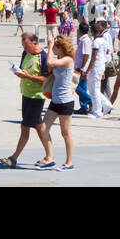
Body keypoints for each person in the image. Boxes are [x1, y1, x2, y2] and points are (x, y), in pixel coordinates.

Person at [0, 31, 53, 168]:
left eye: (27, 46)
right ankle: (50, 156)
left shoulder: (43, 57)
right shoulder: (25, 53)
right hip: (26, 94)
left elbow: (46, 80)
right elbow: (24, 70)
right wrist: (19, 73)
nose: (25, 49)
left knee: (25, 127)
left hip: (37, 96)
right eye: (23, 46)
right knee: (39, 127)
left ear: (35, 43)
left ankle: (13, 158)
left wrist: (28, 77)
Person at [40, 35, 78, 171]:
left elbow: (50, 63)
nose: (53, 49)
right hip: (55, 101)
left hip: (65, 102)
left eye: (55, 47)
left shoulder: (68, 60)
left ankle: (69, 162)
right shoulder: (60, 59)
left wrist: (50, 46)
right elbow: (49, 66)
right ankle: (50, 158)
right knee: (43, 128)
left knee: (65, 133)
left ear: (60, 47)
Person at [83, 20, 112, 119]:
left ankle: (97, 111)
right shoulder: (103, 40)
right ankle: (106, 104)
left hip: (96, 67)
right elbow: (103, 55)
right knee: (95, 89)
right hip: (101, 66)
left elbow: (93, 57)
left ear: (93, 32)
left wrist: (87, 71)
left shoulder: (96, 42)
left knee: (93, 90)